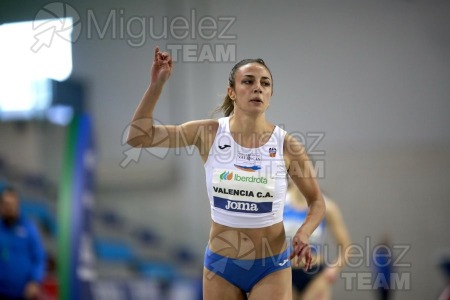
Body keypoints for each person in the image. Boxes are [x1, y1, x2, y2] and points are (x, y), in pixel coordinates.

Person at [127, 47, 326, 300]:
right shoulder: (208, 134)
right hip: (221, 267)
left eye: (265, 84)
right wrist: (157, 84)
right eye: (248, 81)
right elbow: (138, 136)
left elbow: (317, 202)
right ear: (232, 92)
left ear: (270, 95)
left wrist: (303, 233)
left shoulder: (286, 145)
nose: (258, 88)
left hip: (270, 267)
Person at [284, 179, 351, 300]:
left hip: (315, 276)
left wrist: (333, 270)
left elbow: (346, 247)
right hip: (285, 272)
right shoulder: (279, 203)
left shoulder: (326, 206)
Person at [0, 186, 46, 300]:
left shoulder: (29, 229)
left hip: (22, 294)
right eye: (6, 204)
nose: (9, 208)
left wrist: (35, 281)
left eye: (12, 204)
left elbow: (39, 258)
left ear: (18, 205)